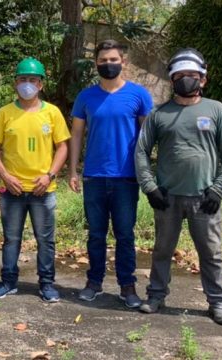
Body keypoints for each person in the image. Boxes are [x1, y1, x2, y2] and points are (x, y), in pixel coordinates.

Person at [135, 48, 222, 325]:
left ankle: (217, 303)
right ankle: (156, 296)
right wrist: (150, 187)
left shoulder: (217, 110)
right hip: (167, 198)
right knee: (161, 251)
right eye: (180, 76)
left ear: (203, 79)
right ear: (172, 80)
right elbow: (141, 151)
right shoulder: (159, 114)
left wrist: (219, 190)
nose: (186, 80)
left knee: (211, 253)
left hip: (205, 198)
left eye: (192, 75)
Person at [68, 40, 153, 307]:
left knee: (125, 234)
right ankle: (94, 283)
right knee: (96, 233)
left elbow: (148, 137)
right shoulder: (86, 97)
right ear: (96, 63)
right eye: (103, 60)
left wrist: (146, 172)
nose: (108, 64)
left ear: (123, 62)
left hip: (127, 178)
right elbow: (77, 135)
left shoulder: (139, 96)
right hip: (94, 176)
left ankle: (127, 287)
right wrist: (72, 170)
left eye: (113, 59)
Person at [0, 58, 70, 302]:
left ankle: (46, 284)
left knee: (45, 240)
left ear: (41, 84)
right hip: (11, 189)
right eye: (23, 79)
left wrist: (50, 175)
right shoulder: (5, 113)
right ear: (15, 83)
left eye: (32, 79)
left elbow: (62, 147)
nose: (27, 84)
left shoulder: (52, 113)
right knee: (11, 239)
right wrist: (5, 175)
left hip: (43, 189)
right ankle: (8, 281)